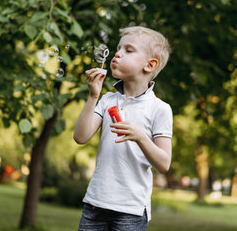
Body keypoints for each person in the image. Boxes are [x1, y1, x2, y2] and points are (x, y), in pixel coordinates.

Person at [74, 26, 173, 230]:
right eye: (118, 48)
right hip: (96, 203)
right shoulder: (106, 100)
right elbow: (81, 137)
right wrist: (93, 96)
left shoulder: (160, 109)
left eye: (128, 50)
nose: (117, 53)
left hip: (131, 209)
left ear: (150, 65)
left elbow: (164, 163)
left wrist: (141, 137)